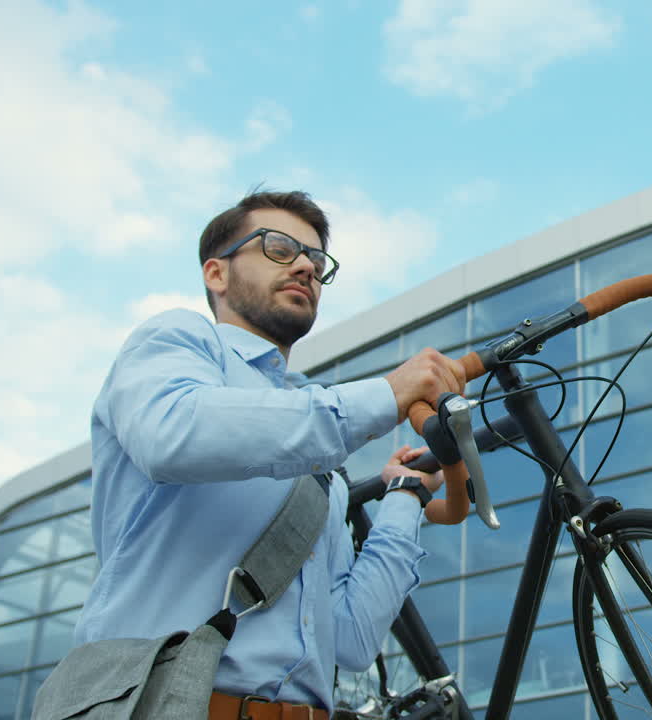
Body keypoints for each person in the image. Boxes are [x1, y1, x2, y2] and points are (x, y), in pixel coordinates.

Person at [73, 190, 467, 718]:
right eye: (279, 247)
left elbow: (348, 638)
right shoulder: (178, 341)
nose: (305, 265)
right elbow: (172, 433)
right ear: (217, 273)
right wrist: (384, 395)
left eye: (316, 259)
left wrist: (404, 498)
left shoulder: (313, 435)